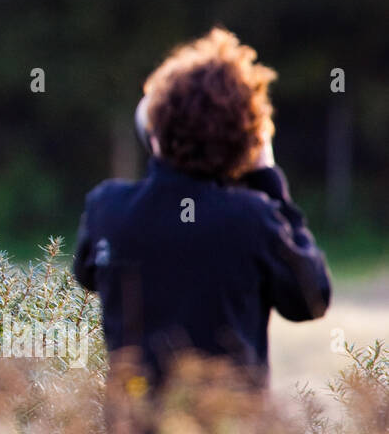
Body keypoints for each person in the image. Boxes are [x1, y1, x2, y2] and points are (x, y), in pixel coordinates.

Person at [73, 28, 332, 408]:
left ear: (156, 130)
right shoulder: (253, 219)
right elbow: (310, 300)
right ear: (245, 140)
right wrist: (268, 175)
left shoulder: (107, 208)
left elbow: (87, 274)